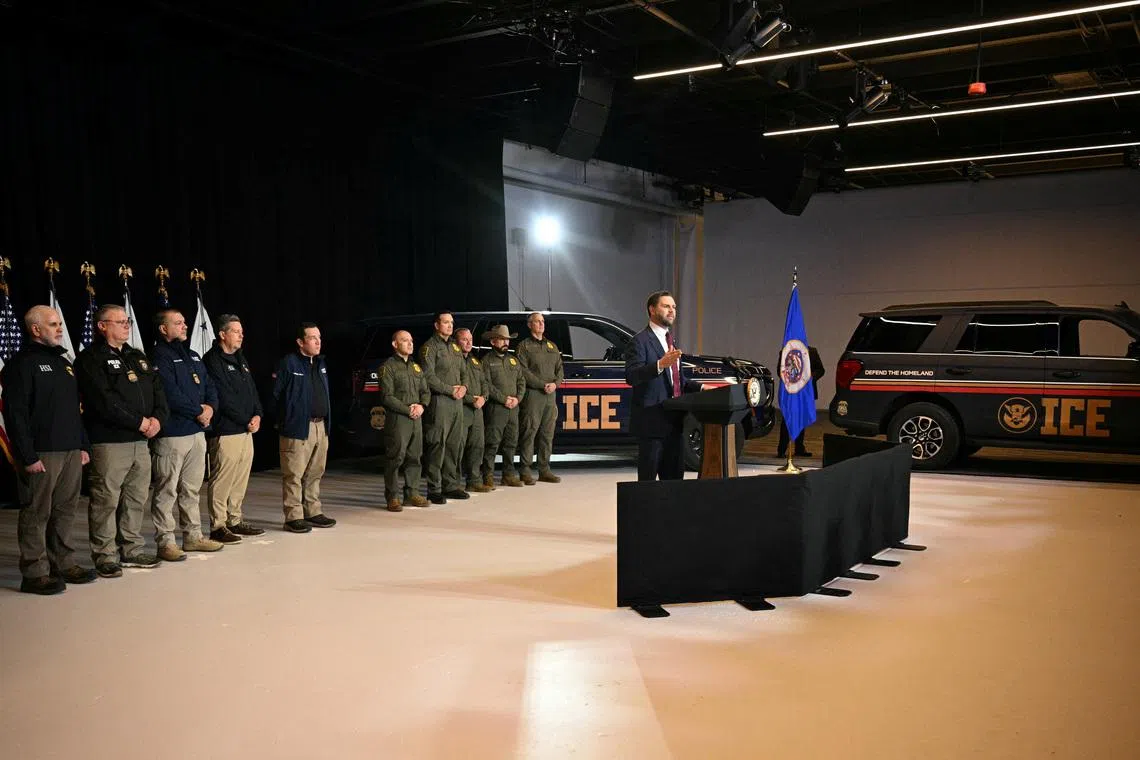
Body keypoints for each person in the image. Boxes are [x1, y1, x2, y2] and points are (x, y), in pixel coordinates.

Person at [2, 306, 95, 594]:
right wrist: (27, 456)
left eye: (59, 324)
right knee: (36, 512)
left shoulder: (64, 361)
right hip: (41, 452)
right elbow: (15, 415)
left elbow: (73, 411)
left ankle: (63, 564)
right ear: (35, 329)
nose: (60, 329)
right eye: (53, 324)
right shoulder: (21, 364)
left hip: (70, 450)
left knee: (65, 511)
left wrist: (82, 444)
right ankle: (34, 572)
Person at [76, 304, 168, 575]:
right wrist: (139, 422)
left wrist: (158, 420)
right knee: (106, 499)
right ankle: (105, 554)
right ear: (102, 326)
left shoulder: (136, 356)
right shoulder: (90, 359)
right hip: (110, 440)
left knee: (136, 497)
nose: (126, 325)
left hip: (142, 440)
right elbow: (103, 400)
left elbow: (158, 391)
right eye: (119, 322)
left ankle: (132, 549)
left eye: (127, 321)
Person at [149, 309, 224, 561]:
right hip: (173, 433)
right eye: (178, 323)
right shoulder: (159, 355)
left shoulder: (192, 355)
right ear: (163, 328)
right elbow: (169, 393)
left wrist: (210, 408)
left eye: (184, 322)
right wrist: (198, 411)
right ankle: (166, 542)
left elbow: (209, 385)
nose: (184, 326)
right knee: (167, 489)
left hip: (197, 432)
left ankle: (192, 536)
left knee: (191, 489)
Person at [624, 290, 699, 481]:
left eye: (674, 307)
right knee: (648, 486)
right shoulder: (639, 341)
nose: (672, 310)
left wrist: (701, 389)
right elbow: (632, 376)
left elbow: (677, 379)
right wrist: (659, 365)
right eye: (666, 306)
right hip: (652, 423)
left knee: (674, 482)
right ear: (652, 309)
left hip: (674, 422)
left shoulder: (671, 341)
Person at [203, 314, 265, 542]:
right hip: (227, 429)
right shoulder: (212, 360)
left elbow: (252, 391)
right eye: (236, 331)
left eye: (241, 331)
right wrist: (245, 419)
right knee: (223, 479)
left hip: (247, 429)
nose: (241, 335)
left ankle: (235, 520)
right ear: (222, 334)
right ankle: (218, 525)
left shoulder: (241, 358)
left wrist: (258, 414)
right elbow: (223, 397)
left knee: (240, 478)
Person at [272, 322, 337, 533]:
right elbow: (275, 395)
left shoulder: (320, 364)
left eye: (319, 337)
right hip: (298, 428)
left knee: (315, 472)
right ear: (300, 342)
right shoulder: (288, 363)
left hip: (320, 426)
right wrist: (285, 421)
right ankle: (293, 516)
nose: (318, 342)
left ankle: (313, 511)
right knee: (294, 474)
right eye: (312, 338)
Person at [418, 311, 468, 504]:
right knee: (438, 445)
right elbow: (428, 377)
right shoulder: (430, 348)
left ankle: (451, 485)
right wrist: (450, 390)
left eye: (452, 322)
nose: (449, 326)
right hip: (440, 401)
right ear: (437, 325)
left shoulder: (455, 348)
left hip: (457, 402)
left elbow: (463, 371)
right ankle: (434, 488)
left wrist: (463, 387)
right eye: (446, 322)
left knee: (454, 445)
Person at [378, 330, 431, 512]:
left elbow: (425, 391)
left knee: (415, 457)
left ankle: (412, 493)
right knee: (396, 457)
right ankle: (393, 497)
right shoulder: (388, 367)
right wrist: (407, 409)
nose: (410, 344)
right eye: (404, 341)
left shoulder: (416, 367)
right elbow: (387, 396)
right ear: (395, 344)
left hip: (416, 417)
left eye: (411, 340)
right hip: (399, 418)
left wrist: (422, 406)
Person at [515, 312, 563, 485]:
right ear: (530, 325)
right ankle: (525, 471)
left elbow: (560, 370)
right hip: (534, 395)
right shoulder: (524, 346)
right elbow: (522, 371)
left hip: (550, 396)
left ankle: (544, 470)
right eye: (537, 321)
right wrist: (542, 384)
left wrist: (555, 384)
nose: (541, 324)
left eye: (543, 321)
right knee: (529, 432)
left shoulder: (552, 346)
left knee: (547, 434)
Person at [480, 325, 526, 488]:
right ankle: (488, 476)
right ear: (493, 341)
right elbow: (486, 384)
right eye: (501, 339)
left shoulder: (513, 360)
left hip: (513, 408)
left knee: (511, 443)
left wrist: (517, 399)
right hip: (496, 408)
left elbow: (521, 381)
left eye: (507, 339)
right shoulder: (487, 361)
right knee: (492, 443)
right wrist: (503, 399)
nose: (505, 342)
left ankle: (508, 475)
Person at [454, 327, 491, 493]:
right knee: (457, 447)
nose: (468, 343)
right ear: (456, 342)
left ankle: (474, 480)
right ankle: (453, 483)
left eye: (470, 340)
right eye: (464, 339)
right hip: (462, 408)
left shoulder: (476, 361)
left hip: (478, 409)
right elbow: (456, 386)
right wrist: (472, 400)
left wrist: (484, 397)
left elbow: (485, 383)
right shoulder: (454, 360)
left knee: (477, 446)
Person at [776, 345, 824, 458]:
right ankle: (782, 449)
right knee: (787, 420)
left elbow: (821, 370)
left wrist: (811, 376)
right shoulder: (785, 351)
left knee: (802, 420)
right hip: (791, 391)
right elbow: (780, 371)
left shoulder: (812, 351)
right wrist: (791, 376)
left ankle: (799, 448)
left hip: (805, 392)